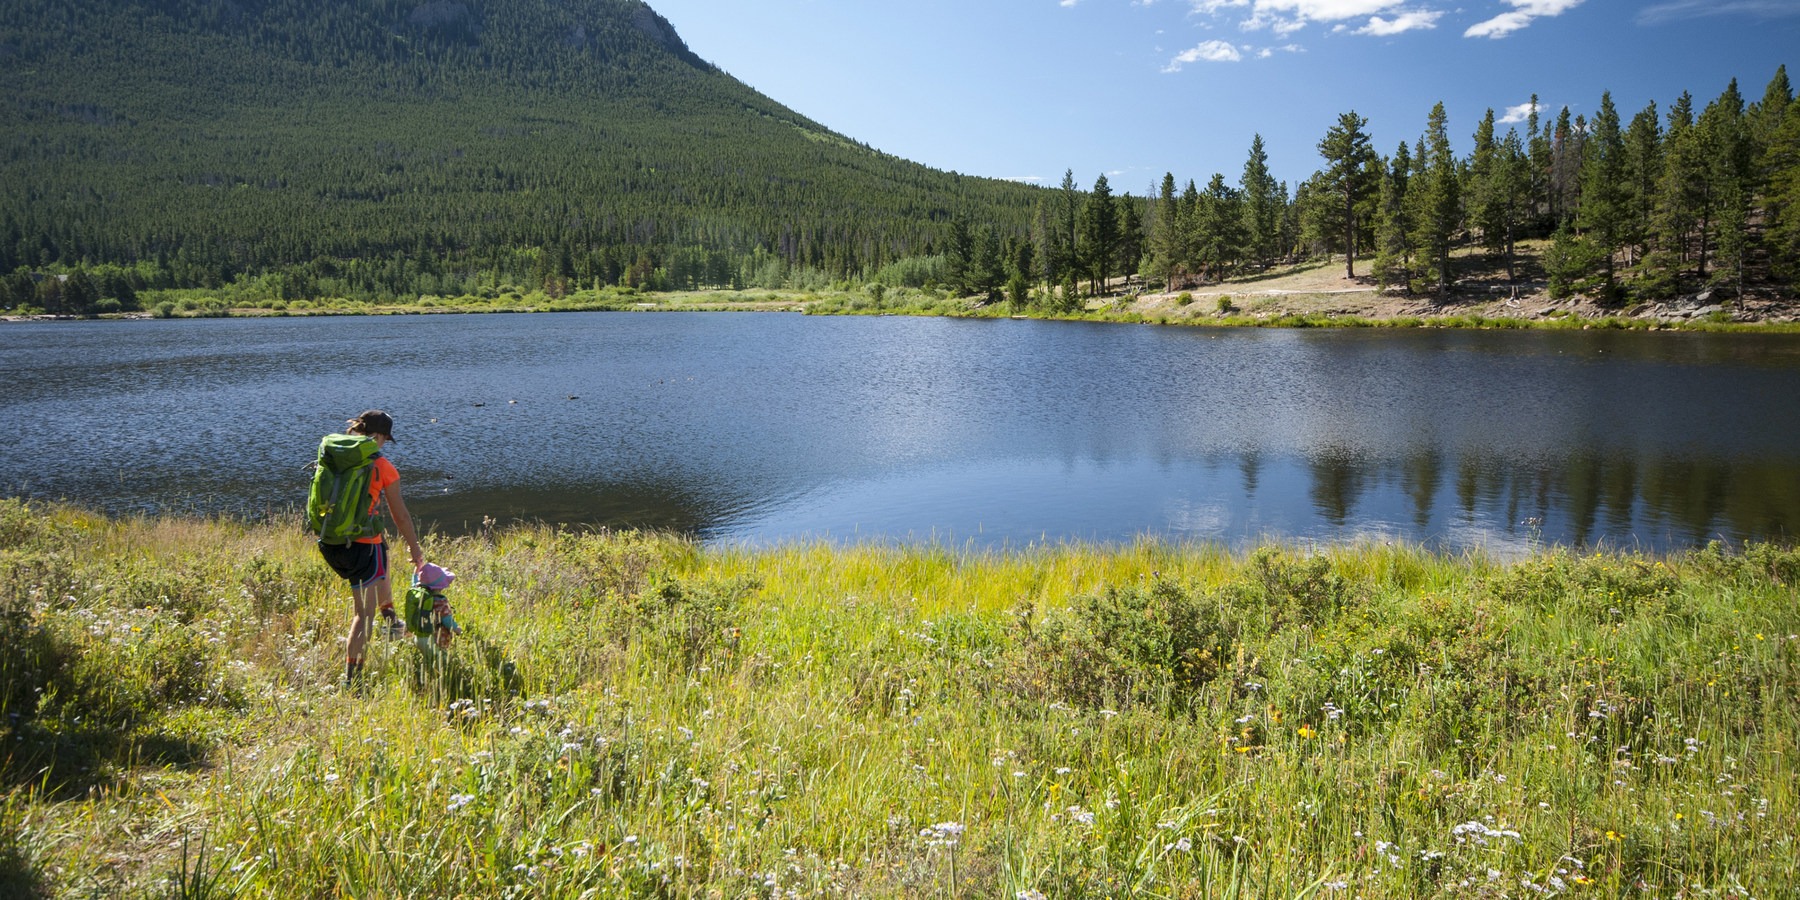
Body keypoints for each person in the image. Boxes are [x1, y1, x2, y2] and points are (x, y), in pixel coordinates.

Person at [316, 410, 425, 689]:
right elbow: (400, 515)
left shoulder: (336, 455)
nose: (384, 444)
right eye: (385, 439)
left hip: (331, 543)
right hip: (362, 549)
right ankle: (353, 682)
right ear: (377, 436)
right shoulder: (383, 466)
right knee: (363, 615)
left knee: (382, 552)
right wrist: (415, 550)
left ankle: (391, 621)